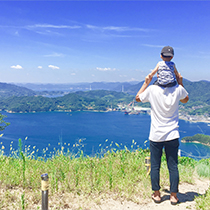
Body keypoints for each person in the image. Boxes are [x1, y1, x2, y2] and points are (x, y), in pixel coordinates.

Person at [135, 72, 189, 205]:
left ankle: (157, 194)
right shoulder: (178, 89)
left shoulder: (152, 89)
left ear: (158, 76)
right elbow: (185, 99)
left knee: (155, 165)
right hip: (172, 135)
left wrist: (146, 82)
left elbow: (137, 98)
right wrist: (180, 82)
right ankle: (174, 196)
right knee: (173, 166)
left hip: (156, 135)